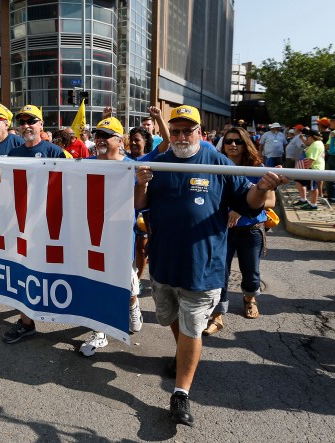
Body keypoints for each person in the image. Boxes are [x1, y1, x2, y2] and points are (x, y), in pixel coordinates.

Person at [134, 105, 286, 426]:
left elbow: (247, 203)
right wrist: (141, 184)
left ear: (200, 133)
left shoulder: (218, 163)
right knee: (170, 318)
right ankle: (184, 355)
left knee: (192, 326)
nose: (180, 136)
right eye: (175, 131)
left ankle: (181, 394)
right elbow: (140, 205)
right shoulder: (157, 163)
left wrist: (262, 188)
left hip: (203, 267)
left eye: (187, 130)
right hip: (162, 264)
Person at [1, 105, 67, 344]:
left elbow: (69, 187)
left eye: (32, 121)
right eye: (23, 121)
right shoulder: (14, 154)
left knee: (54, 273)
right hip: (21, 225)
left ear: (42, 125)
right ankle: (26, 321)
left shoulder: (55, 151)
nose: (27, 125)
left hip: (50, 226)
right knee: (23, 273)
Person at [78, 116, 143, 356]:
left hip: (121, 236)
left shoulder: (132, 167)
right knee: (95, 281)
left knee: (126, 280)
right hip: (91, 234)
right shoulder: (85, 163)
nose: (100, 140)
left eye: (106, 136)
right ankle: (100, 331)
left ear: (120, 140)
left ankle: (133, 305)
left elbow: (140, 202)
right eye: (98, 135)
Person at [202, 126, 275, 336]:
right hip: (221, 230)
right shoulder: (215, 165)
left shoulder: (257, 167)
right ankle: (217, 315)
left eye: (238, 141)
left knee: (251, 272)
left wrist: (238, 210)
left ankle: (250, 299)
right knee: (219, 273)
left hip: (250, 229)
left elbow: (270, 200)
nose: (233, 145)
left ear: (246, 144)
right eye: (229, 141)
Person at [292, 129, 325, 210]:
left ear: (311, 137)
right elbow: (307, 144)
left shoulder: (316, 145)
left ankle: (313, 204)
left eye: (307, 137)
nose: (306, 139)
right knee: (299, 181)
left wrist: (306, 170)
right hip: (312, 167)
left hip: (313, 168)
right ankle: (304, 200)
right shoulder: (316, 143)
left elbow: (312, 159)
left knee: (312, 187)